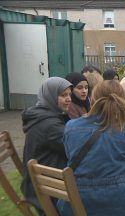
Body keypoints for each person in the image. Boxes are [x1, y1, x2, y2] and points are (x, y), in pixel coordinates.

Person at [57, 80, 125, 216]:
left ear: (92, 99)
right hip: (122, 204)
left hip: (78, 204)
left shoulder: (71, 127)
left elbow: (71, 158)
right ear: (123, 100)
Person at [21, 77, 72, 215]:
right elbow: (74, 147)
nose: (69, 99)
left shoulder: (44, 114)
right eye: (63, 95)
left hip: (40, 181)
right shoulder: (50, 124)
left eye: (69, 95)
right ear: (50, 95)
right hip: (46, 191)